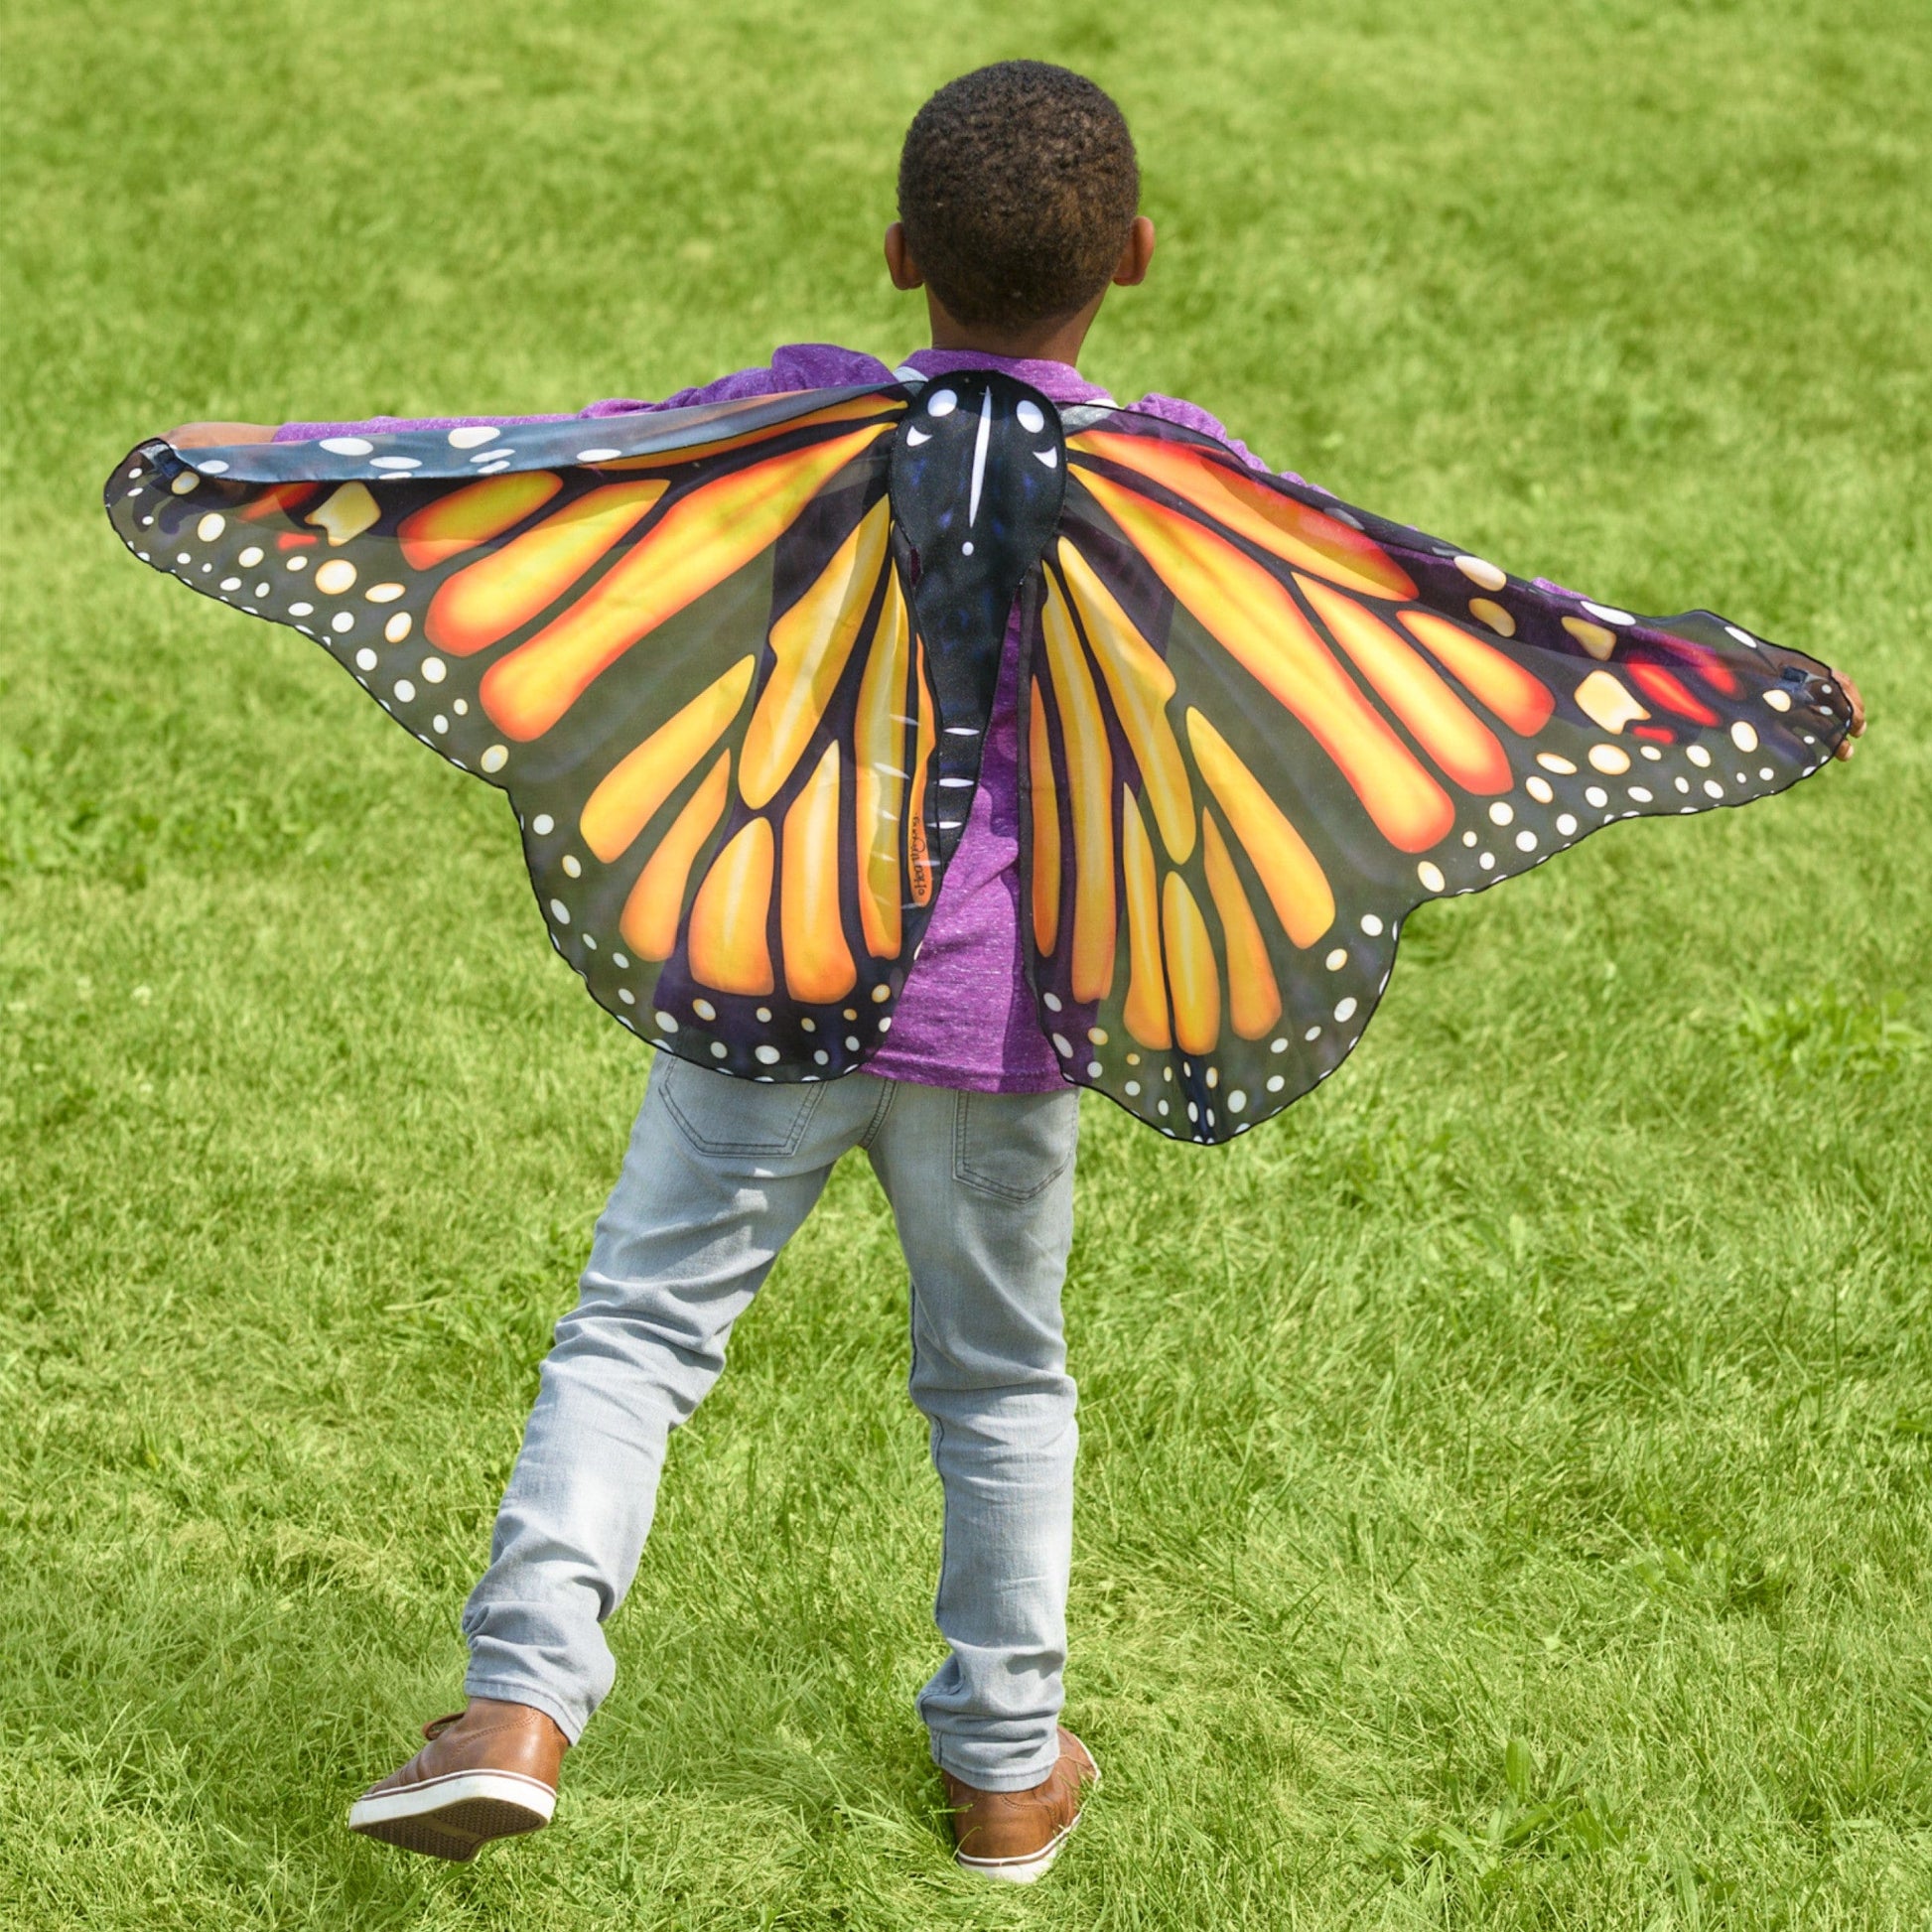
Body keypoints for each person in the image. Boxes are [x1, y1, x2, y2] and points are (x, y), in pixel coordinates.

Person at [166, 60, 1864, 1883]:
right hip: (1010, 1031)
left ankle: (516, 1711)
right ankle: (999, 1768)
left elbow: (552, 474)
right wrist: (1679, 683)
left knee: (640, 1337)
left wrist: (265, 480)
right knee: (996, 1386)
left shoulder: (792, 417)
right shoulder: (1184, 475)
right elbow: (1410, 619)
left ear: (897, 251)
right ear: (1130, 258)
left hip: (773, 974)